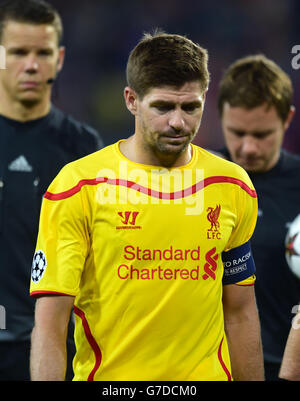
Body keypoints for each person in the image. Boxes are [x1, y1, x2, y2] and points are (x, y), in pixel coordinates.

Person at [30, 30, 264, 381]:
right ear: (131, 100)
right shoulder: (78, 187)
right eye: (163, 106)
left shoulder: (231, 185)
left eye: (190, 107)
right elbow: (50, 324)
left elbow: (241, 313)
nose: (177, 122)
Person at [0, 0, 103, 381]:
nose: (31, 64)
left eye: (42, 53)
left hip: (53, 342)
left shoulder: (84, 150)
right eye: (18, 52)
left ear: (59, 59)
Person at [216, 54, 300, 381]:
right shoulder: (191, 183)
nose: (248, 147)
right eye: (236, 132)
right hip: (211, 369)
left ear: (287, 119)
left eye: (262, 134)